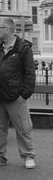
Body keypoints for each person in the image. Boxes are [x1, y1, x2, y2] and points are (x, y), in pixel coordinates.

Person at [0, 18, 36, 169]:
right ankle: (1, 157)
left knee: (23, 128)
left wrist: (24, 95)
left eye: (0, 28)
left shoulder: (23, 47)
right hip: (0, 95)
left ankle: (28, 156)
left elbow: (30, 73)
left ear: (8, 30)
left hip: (16, 96)